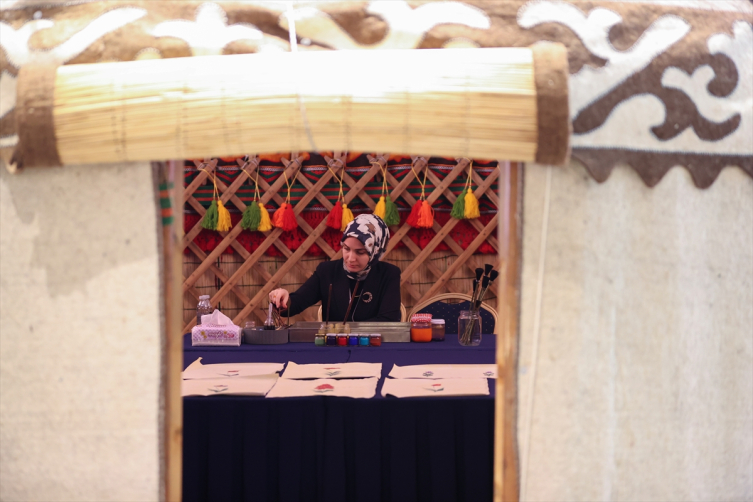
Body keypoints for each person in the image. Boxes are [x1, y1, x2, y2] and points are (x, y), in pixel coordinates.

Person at [269, 214, 401, 322]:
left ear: (376, 252)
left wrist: (350, 333)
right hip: (334, 344)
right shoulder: (327, 271)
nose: (351, 258)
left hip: (373, 345)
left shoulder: (389, 274)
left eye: (360, 252)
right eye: (346, 249)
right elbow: (297, 303)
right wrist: (283, 300)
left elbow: (389, 320)